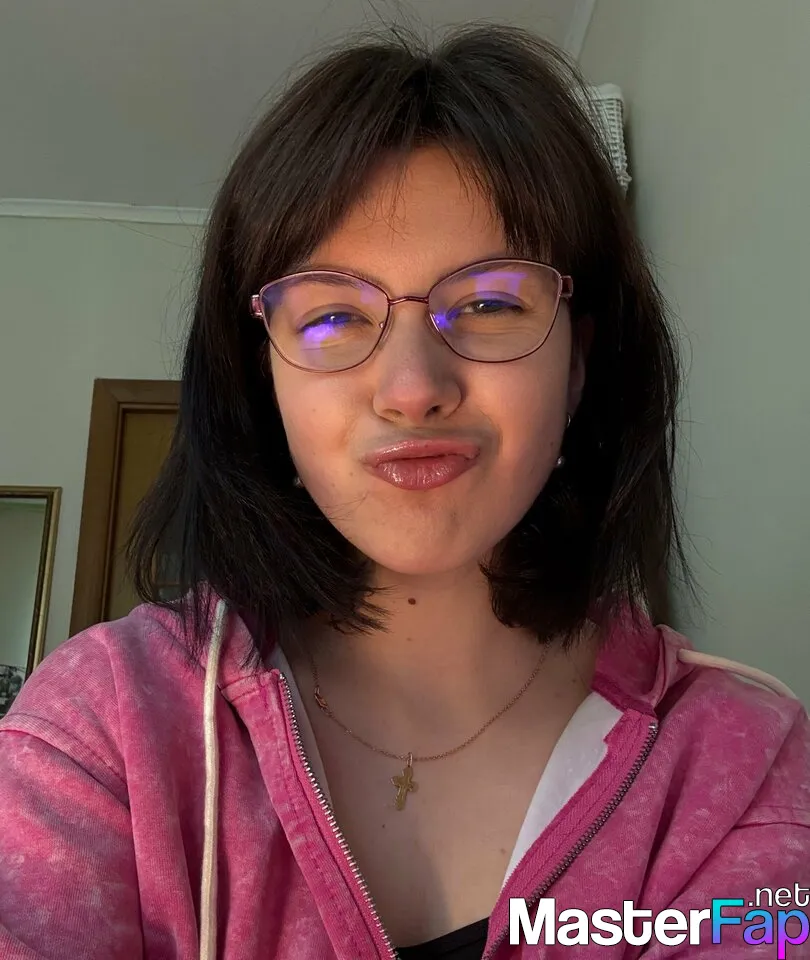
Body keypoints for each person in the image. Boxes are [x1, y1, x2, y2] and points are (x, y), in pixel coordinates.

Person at [1, 24, 808, 960]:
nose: (413, 385)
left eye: (492, 303)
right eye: (332, 317)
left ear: (578, 366)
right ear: (265, 380)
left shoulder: (743, 764)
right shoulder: (103, 728)